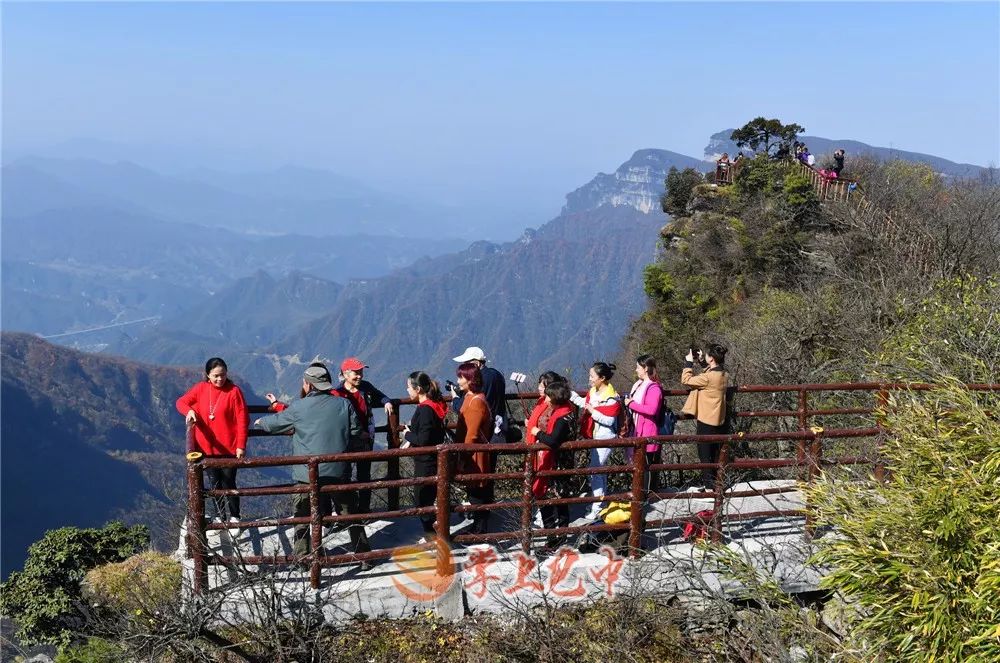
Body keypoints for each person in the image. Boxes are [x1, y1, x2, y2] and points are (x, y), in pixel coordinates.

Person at [254, 364, 372, 560]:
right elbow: (357, 433)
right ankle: (364, 555)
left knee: (302, 517)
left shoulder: (299, 407)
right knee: (351, 514)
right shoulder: (344, 404)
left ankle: (304, 557)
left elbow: (274, 424)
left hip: (306, 475)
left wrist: (260, 422)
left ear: (308, 384)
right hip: (338, 471)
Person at [176, 357, 248, 534]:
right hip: (206, 447)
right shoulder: (201, 389)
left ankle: (234, 518)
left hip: (229, 448)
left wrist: (241, 445)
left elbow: (242, 419)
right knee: (214, 483)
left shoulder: (234, 391)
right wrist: (190, 410)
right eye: (215, 375)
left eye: (222, 375)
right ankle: (219, 517)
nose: (219, 379)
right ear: (207, 375)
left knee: (229, 482)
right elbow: (181, 402)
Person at [333, 357, 394, 515]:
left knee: (364, 475)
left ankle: (364, 508)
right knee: (344, 475)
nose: (360, 375)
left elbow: (380, 395)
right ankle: (346, 512)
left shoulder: (365, 388)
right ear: (345, 374)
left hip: (365, 438)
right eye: (356, 372)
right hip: (346, 440)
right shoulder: (338, 393)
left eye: (361, 372)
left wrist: (387, 402)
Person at [527, 380, 576, 551]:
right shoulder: (568, 410)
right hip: (562, 462)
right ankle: (558, 536)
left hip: (556, 464)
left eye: (548, 396)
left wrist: (537, 432)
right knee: (559, 500)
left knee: (551, 499)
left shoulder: (561, 417)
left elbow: (553, 441)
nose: (546, 399)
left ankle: (555, 537)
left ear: (555, 398)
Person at [400, 371, 448, 541]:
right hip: (430, 460)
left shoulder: (426, 409)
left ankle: (433, 536)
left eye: (408, 387)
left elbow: (423, 439)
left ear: (418, 389)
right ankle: (434, 533)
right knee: (427, 498)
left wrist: (407, 435)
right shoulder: (432, 406)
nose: (407, 390)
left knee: (422, 500)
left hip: (426, 462)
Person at [570, 362, 621, 520]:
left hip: (605, 438)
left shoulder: (611, 398)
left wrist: (593, 411)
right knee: (598, 471)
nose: (589, 379)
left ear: (602, 378)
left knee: (595, 471)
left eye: (592, 376)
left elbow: (609, 421)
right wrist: (571, 395)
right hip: (595, 436)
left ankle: (597, 506)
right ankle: (601, 502)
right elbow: (585, 404)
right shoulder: (594, 392)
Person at [453, 361, 495, 535]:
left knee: (477, 489)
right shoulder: (472, 397)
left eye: (460, 377)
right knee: (476, 489)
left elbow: (472, 434)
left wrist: (463, 457)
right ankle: (479, 525)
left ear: (469, 379)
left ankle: (480, 528)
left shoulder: (475, 402)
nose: (458, 381)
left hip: (474, 453)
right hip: (473, 450)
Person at [681, 344, 730, 489]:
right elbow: (709, 373)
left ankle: (709, 487)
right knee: (714, 454)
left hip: (706, 421)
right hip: (719, 420)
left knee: (704, 455)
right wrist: (703, 361)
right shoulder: (724, 375)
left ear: (712, 359)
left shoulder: (707, 378)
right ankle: (716, 485)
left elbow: (686, 380)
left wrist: (689, 362)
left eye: (707, 356)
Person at [450, 346, 509, 442]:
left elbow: (461, 408)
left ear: (476, 363)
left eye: (466, 364)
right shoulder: (496, 374)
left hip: (484, 432)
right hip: (499, 428)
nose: (464, 366)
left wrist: (455, 398)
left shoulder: (479, 381)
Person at [624, 354, 664, 492]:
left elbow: (652, 410)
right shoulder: (640, 385)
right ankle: (640, 492)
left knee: (645, 466)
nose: (636, 370)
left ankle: (645, 494)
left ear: (645, 368)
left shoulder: (654, 388)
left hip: (647, 431)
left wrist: (631, 404)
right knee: (640, 464)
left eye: (638, 367)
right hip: (638, 429)